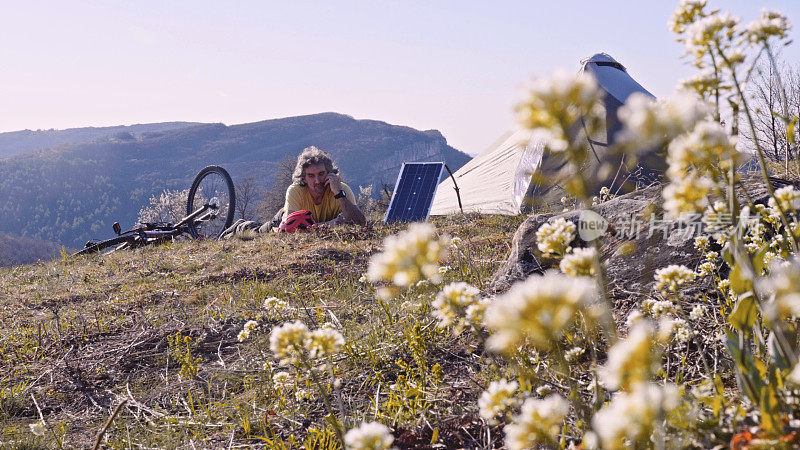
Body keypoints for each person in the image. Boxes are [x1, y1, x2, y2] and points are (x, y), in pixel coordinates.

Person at [281, 146, 366, 227]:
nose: (317, 181)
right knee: (269, 226)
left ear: (329, 173)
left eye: (321, 174)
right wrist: (329, 224)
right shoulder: (295, 190)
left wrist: (339, 193)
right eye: (311, 176)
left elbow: (361, 222)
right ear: (304, 178)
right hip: (282, 218)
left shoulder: (342, 189)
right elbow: (289, 227)